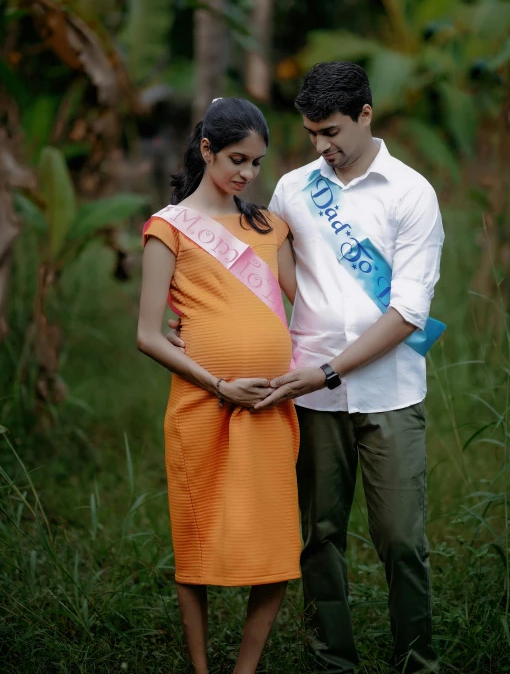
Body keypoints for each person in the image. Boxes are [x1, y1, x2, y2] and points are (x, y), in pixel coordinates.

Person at [168, 62, 445, 674]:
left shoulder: (411, 194)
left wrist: (327, 371)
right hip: (311, 399)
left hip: (388, 391)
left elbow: (406, 313)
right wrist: (187, 316)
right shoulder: (295, 189)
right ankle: (330, 662)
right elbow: (257, 271)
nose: (322, 147)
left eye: (332, 132)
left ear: (366, 115)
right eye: (312, 133)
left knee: (401, 541)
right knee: (319, 538)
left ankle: (417, 661)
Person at [137, 97, 301, 674]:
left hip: (272, 405)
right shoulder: (169, 227)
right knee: (197, 536)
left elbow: (309, 303)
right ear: (206, 149)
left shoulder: (268, 225)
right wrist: (218, 384)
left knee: (279, 543)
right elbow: (149, 334)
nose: (247, 174)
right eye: (236, 159)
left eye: (256, 163)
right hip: (202, 405)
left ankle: (245, 669)